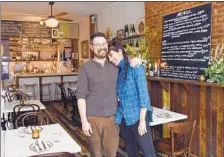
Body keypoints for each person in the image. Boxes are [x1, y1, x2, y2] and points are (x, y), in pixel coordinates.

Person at [76, 32, 140, 157]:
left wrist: (136, 59)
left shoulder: (115, 64)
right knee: (96, 154)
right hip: (92, 118)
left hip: (112, 117)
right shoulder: (85, 68)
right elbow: (81, 96)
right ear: (91, 47)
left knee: (111, 153)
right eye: (98, 44)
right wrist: (84, 120)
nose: (102, 47)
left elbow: (128, 62)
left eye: (104, 43)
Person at [107, 38, 156, 157]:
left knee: (148, 153)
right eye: (108, 57)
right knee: (131, 152)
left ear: (119, 51)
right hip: (124, 119)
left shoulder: (135, 67)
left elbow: (143, 95)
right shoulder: (117, 70)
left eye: (111, 55)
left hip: (138, 118)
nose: (110, 59)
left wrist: (143, 121)